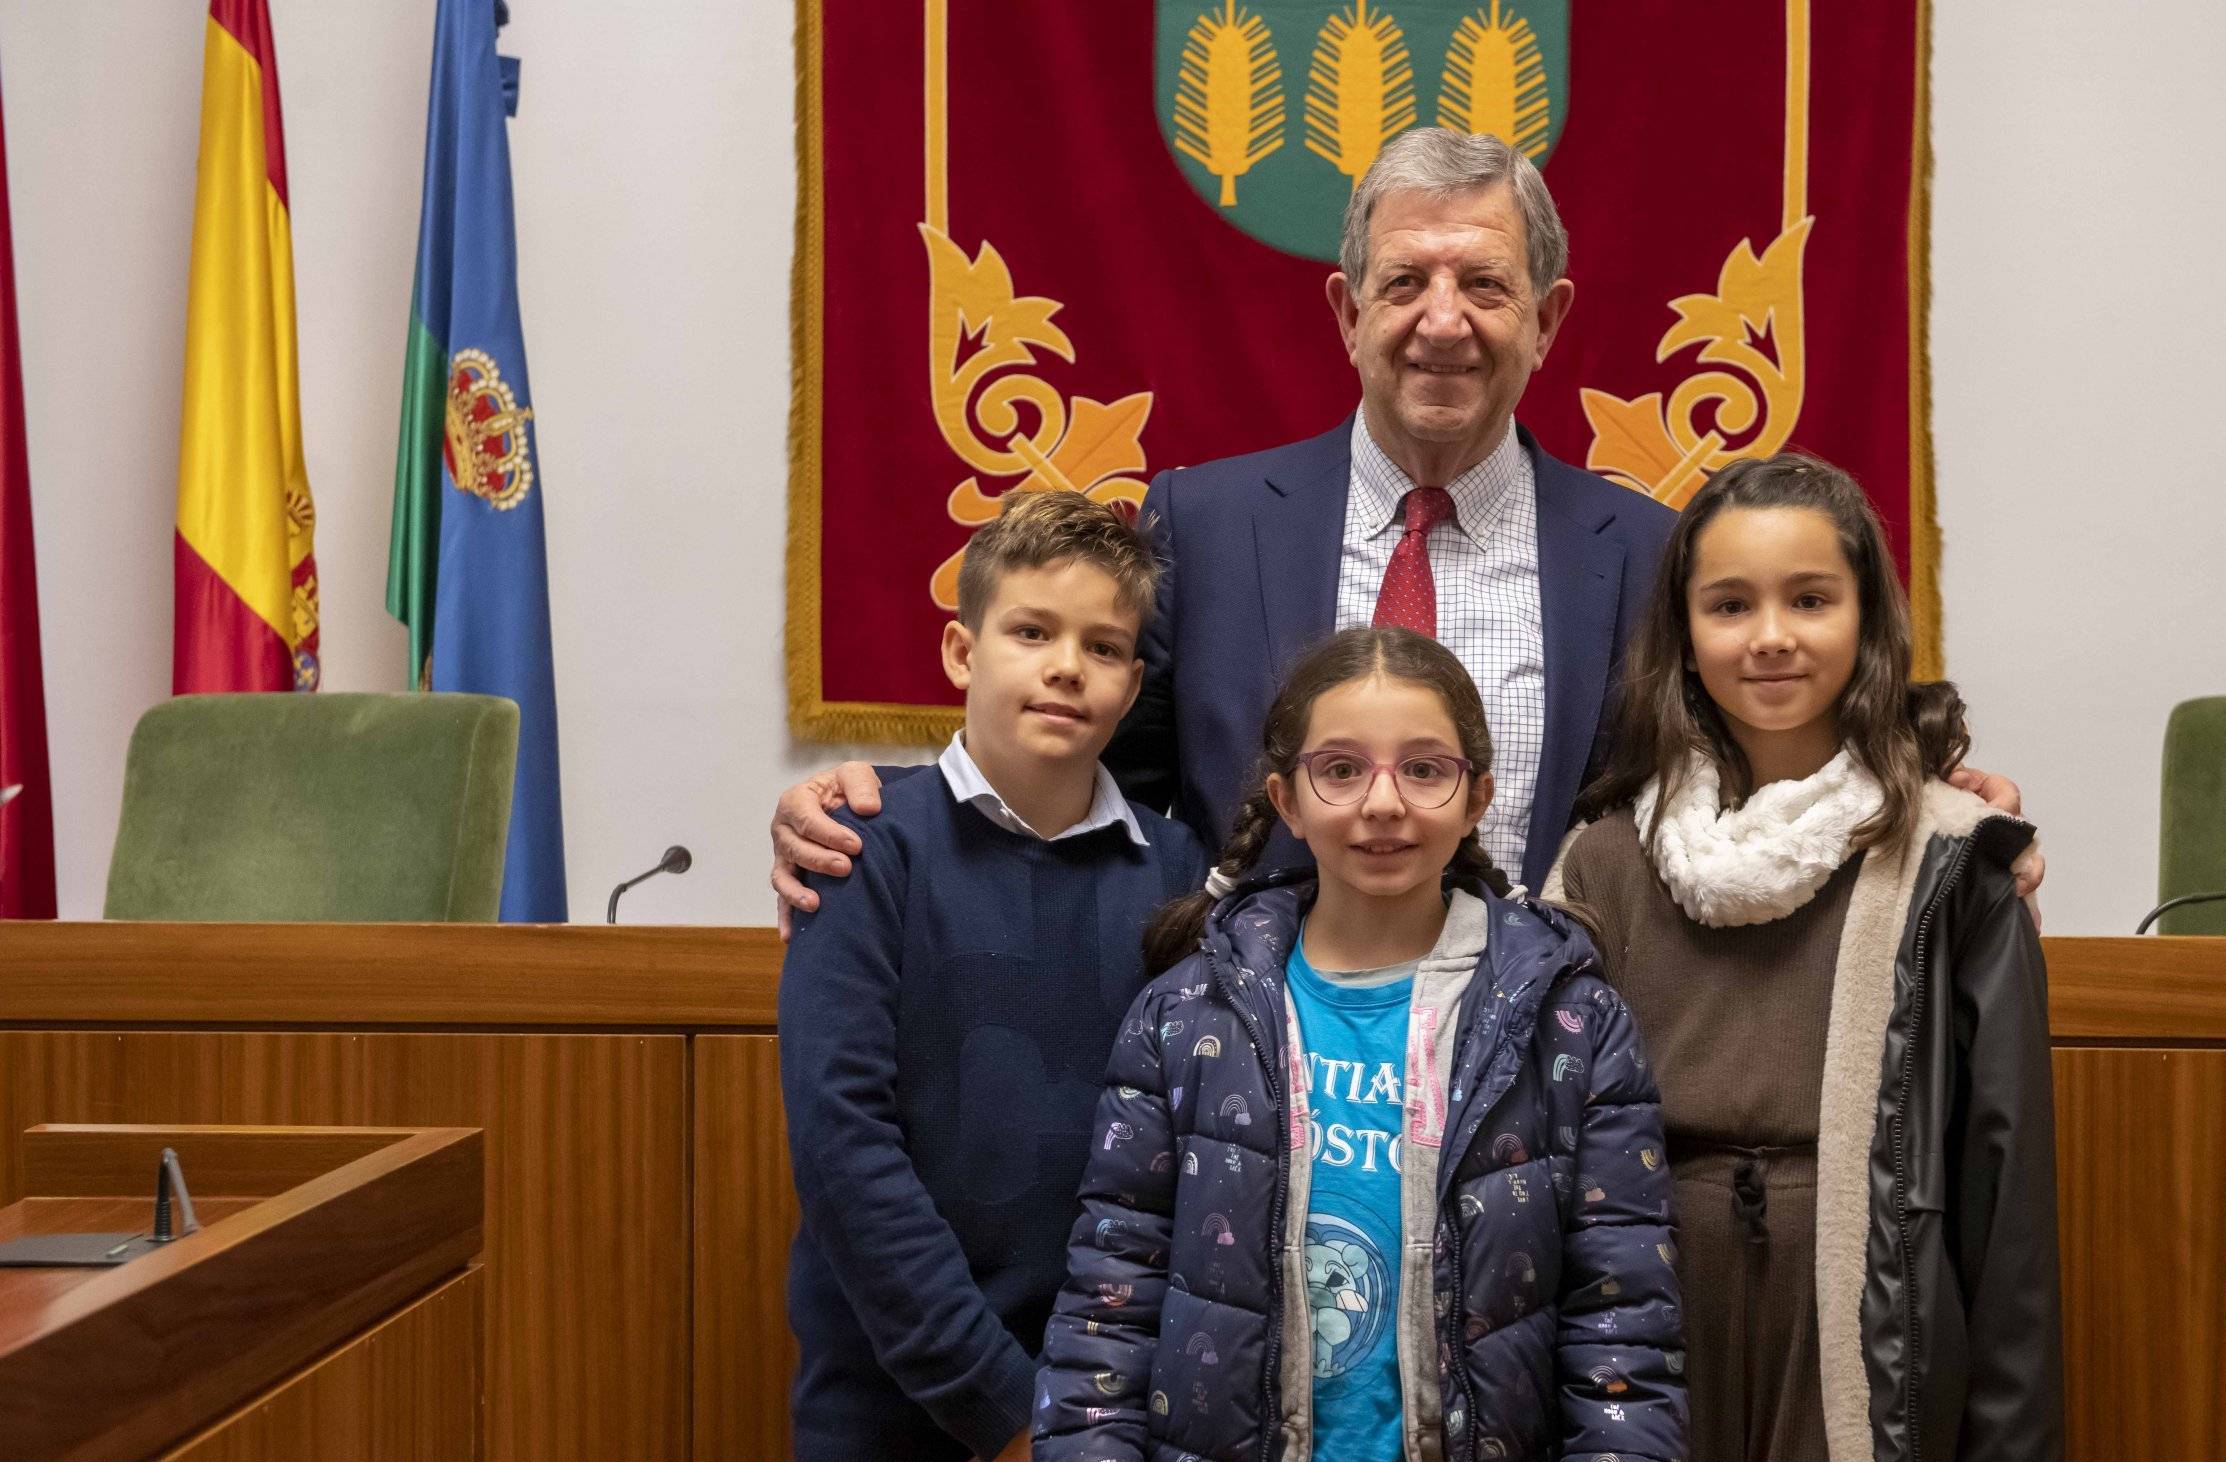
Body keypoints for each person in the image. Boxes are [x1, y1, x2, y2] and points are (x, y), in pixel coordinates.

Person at [765, 129, 2044, 921]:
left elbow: (1751, 777)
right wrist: (887, 812)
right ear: (1345, 312)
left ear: (1545, 320)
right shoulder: (1200, 526)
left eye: (1485, 284)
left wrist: (1921, 804)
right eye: (1406, 283)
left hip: (1549, 1084)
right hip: (1251, 1082)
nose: (1444, 318)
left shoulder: (1654, 554)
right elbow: (1087, 787)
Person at [1033, 625, 1685, 1462]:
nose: (1382, 804)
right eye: (1340, 770)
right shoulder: (1191, 1013)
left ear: (1476, 796)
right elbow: (1113, 1278)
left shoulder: (1568, 1021)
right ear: (1286, 800)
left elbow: (1624, 1303)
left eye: (1423, 769)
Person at [1547, 453, 2063, 1462]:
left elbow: (2007, 1163)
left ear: (1870, 621)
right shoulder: (1604, 863)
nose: (1769, 638)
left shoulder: (1954, 860)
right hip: (1643, 1309)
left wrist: (2007, 1447)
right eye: (1729, 605)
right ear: (1680, 633)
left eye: (1809, 599)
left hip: (1852, 1317)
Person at [775, 490, 1206, 1462]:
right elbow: (846, 1150)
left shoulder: (1175, 881)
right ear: (964, 649)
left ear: (1133, 682)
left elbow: (1184, 1169)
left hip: (1087, 1415)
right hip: (893, 1412)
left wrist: (1062, 1421)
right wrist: (996, 1412)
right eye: (1032, 633)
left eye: (1105, 646)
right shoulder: (868, 849)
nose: (1067, 668)